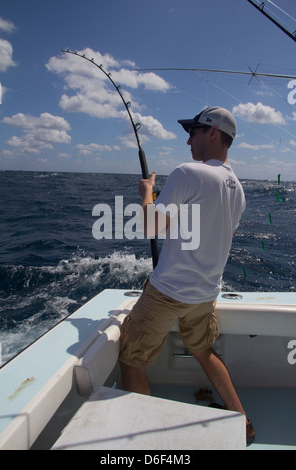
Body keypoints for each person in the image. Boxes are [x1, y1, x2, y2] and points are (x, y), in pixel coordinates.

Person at [118, 106, 255, 446]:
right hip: (205, 295)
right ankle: (242, 421)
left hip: (167, 292)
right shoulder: (238, 189)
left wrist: (146, 193)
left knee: (131, 358)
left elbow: (150, 226)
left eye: (193, 131)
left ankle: (144, 437)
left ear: (212, 133)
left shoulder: (187, 173)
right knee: (204, 349)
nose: (188, 140)